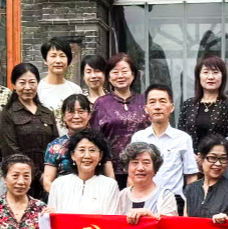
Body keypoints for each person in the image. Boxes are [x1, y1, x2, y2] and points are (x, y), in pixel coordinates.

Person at [130, 84, 198, 214]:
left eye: (162, 101)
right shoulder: (138, 138)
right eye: (152, 102)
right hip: (144, 199)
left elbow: (191, 177)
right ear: (146, 108)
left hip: (174, 201)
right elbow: (132, 174)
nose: (157, 106)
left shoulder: (183, 139)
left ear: (171, 107)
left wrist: (188, 208)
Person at [91, 53, 150, 189]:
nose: (120, 76)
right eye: (115, 72)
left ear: (133, 74)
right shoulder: (101, 103)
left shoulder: (144, 101)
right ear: (108, 77)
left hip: (143, 169)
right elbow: (96, 139)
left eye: (124, 71)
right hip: (111, 171)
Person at [0, 63, 57, 199]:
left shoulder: (47, 113)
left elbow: (56, 147)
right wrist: (38, 175)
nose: (27, 87)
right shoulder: (8, 113)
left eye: (32, 82)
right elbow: (10, 150)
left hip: (49, 178)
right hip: (21, 179)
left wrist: (50, 175)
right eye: (22, 82)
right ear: (14, 85)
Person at [42, 94, 114, 192]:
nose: (76, 116)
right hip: (63, 196)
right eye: (71, 112)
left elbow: (110, 177)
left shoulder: (100, 142)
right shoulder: (55, 146)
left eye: (81, 112)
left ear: (89, 115)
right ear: (64, 116)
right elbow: (47, 182)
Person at [177, 55, 228, 150]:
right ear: (198, 76)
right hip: (191, 157)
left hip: (219, 157)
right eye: (205, 72)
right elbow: (181, 136)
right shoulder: (187, 104)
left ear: (223, 76)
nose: (210, 77)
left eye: (215, 72)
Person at [37, 37, 82, 135]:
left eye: (62, 56)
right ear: (45, 60)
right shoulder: (38, 89)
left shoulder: (75, 90)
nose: (58, 60)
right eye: (53, 56)